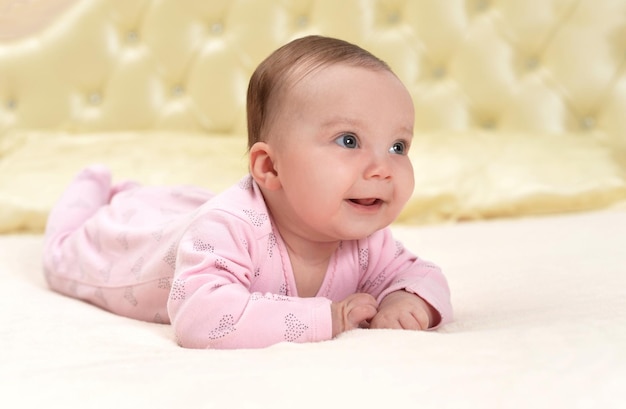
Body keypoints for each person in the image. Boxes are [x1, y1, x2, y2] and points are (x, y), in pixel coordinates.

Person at [43, 35, 453, 349]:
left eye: (398, 146)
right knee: (65, 250)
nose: (383, 168)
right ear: (270, 167)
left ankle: (137, 192)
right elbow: (202, 319)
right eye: (348, 140)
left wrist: (406, 302)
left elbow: (423, 276)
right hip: (130, 248)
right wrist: (328, 318)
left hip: (197, 210)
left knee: (180, 204)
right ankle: (94, 183)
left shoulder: (365, 240)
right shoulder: (229, 229)